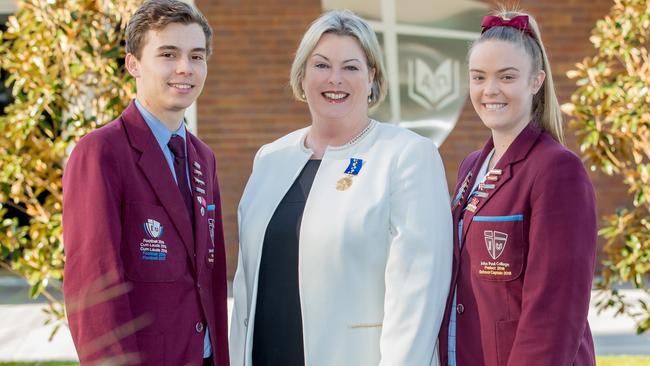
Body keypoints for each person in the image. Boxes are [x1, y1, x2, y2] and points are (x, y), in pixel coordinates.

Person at [229, 9, 453, 366]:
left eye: (350, 67)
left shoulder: (407, 156)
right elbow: (244, 288)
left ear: (371, 77)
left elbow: (418, 297)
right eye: (321, 65)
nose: (335, 79)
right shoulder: (271, 159)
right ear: (302, 75)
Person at [62, 1, 229, 365]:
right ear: (133, 63)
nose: (185, 68)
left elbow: (210, 278)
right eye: (168, 54)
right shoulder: (101, 152)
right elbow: (93, 289)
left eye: (196, 56)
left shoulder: (204, 158)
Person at [438, 8, 597, 366]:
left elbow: (555, 311)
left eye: (506, 77)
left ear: (536, 81)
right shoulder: (470, 167)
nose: (489, 90)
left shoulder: (557, 169)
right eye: (478, 77)